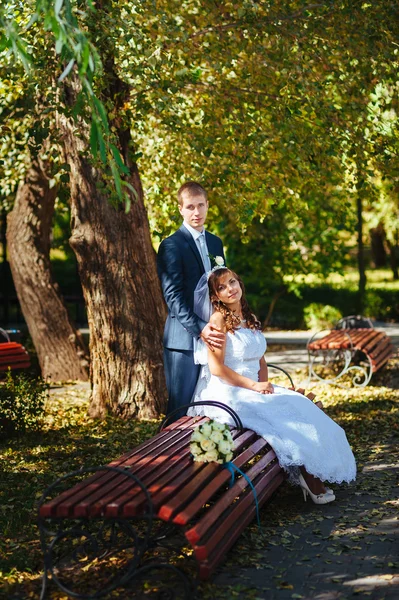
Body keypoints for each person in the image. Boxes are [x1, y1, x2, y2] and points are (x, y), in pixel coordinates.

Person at [190, 267, 356, 504]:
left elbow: (260, 359)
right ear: (215, 296)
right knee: (285, 415)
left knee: (302, 405)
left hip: (253, 385)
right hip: (229, 390)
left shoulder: (249, 317)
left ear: (240, 284)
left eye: (233, 282)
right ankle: (308, 477)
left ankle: (316, 469)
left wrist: (262, 384)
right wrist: (253, 387)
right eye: (222, 287)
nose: (230, 289)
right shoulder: (217, 321)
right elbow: (216, 369)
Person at [157, 181, 226, 418]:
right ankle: (167, 455)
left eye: (200, 206)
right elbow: (173, 296)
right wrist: (200, 329)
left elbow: (222, 287)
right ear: (181, 210)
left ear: (208, 205)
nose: (196, 212)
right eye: (190, 207)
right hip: (184, 340)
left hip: (215, 335)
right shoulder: (171, 245)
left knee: (210, 403)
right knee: (180, 408)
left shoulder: (216, 243)